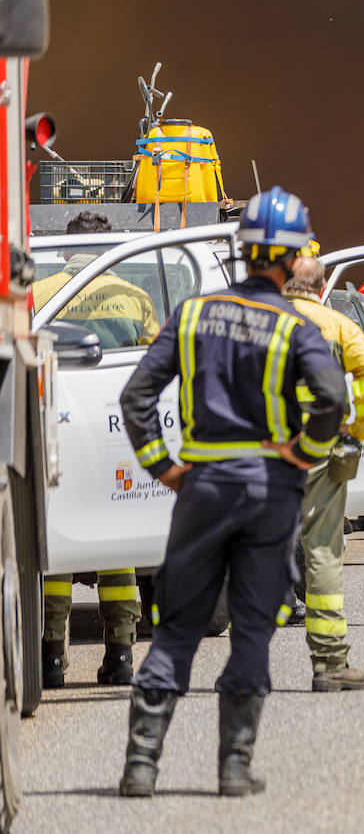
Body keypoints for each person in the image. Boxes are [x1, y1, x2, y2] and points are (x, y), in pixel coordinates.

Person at [116, 187, 347, 798]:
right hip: (269, 495)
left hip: (203, 490)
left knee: (175, 630)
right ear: (293, 258)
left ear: (243, 249)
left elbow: (136, 396)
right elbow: (333, 399)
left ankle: (141, 766)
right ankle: (234, 768)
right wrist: (304, 453)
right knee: (250, 631)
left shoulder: (192, 314)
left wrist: (164, 468)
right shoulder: (295, 327)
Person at [34, 211, 156, 688]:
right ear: (110, 252)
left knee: (56, 540)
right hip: (114, 435)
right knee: (116, 539)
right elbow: (156, 366)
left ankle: (50, 656)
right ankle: (120, 655)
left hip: (58, 430)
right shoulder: (136, 298)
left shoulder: (41, 294)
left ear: (66, 252)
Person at [284, 258, 364, 692]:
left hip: (262, 448)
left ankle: (245, 666)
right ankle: (329, 662)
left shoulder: (260, 317)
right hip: (320, 446)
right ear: (321, 285)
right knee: (323, 549)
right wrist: (359, 428)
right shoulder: (337, 324)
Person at [32, 210, 161, 347]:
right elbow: (156, 353)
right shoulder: (138, 299)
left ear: (66, 253)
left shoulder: (35, 293)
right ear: (107, 251)